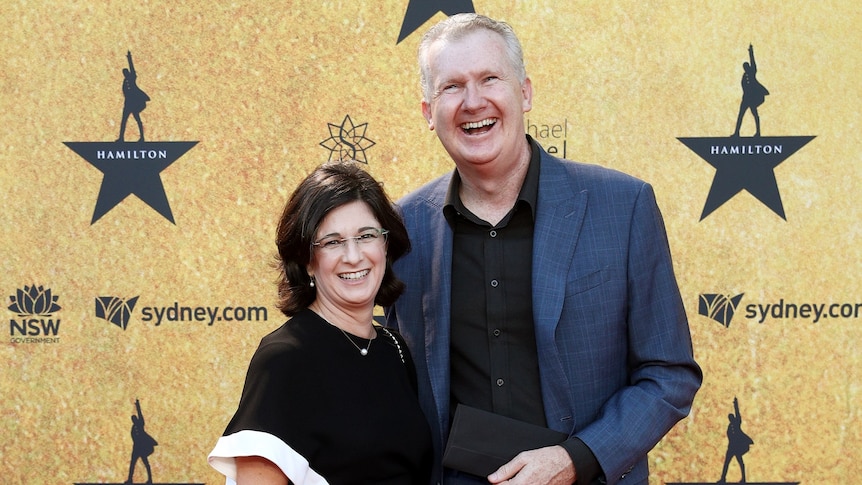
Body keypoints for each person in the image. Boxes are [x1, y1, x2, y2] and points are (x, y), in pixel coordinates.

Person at [384, 13, 702, 485]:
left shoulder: (623, 205)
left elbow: (669, 374)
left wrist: (577, 459)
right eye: (452, 87)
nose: (473, 102)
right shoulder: (403, 229)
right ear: (429, 113)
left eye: (490, 78)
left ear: (525, 92)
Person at [208, 160, 433, 485]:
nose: (354, 256)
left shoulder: (395, 350)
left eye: (366, 235)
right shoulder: (285, 358)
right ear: (307, 260)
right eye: (332, 241)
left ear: (386, 245)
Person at [732, 44, 769, 137]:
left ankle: (758, 132)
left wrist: (751, 51)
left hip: (753, 98)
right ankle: (736, 133)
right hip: (746, 98)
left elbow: (753, 61)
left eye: (747, 66)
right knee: (740, 115)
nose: (746, 68)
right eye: (744, 67)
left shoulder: (752, 72)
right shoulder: (744, 76)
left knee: (755, 114)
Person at [116, 50, 150, 142]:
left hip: (135, 103)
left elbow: (132, 68)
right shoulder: (125, 82)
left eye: (126, 72)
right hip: (128, 103)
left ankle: (142, 137)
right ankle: (121, 138)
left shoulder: (132, 78)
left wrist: (129, 58)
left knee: (137, 119)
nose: (125, 73)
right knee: (123, 121)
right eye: (124, 72)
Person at [718, 397, 753, 483]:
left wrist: (735, 404)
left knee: (740, 463)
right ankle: (723, 478)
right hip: (731, 447)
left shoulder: (737, 423)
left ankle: (743, 478)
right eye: (730, 418)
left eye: (732, 417)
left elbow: (738, 413)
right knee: (726, 463)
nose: (731, 419)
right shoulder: (730, 427)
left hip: (737, 447)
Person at [126, 398, 157, 485]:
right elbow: (133, 438)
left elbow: (140, 414)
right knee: (132, 464)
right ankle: (130, 480)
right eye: (133, 419)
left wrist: (137, 405)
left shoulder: (140, 424)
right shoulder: (133, 428)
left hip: (142, 447)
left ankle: (150, 479)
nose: (134, 419)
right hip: (136, 448)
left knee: (146, 464)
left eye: (135, 418)